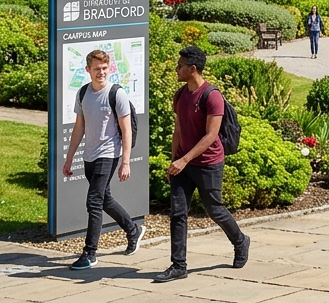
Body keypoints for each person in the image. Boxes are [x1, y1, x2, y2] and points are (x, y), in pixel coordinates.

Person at [155, 45, 248, 283]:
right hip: (183, 165)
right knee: (177, 213)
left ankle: (240, 241)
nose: (176, 69)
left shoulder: (212, 96)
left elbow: (211, 136)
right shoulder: (180, 95)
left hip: (208, 163)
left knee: (214, 210)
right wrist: (174, 159)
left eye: (180, 65)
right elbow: (178, 129)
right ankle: (178, 266)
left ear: (192, 68)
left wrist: (185, 159)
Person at [63, 49, 142, 270]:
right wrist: (69, 159)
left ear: (110, 69)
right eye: (97, 69)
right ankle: (132, 229)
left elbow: (126, 130)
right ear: (87, 70)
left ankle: (90, 253)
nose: (101, 72)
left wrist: (125, 161)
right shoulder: (83, 93)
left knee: (94, 201)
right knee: (104, 198)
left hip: (109, 154)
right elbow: (79, 127)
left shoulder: (117, 94)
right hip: (90, 156)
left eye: (105, 68)